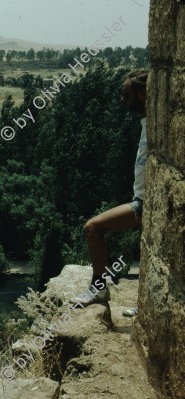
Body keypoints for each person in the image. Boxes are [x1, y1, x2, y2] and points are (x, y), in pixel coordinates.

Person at [70, 70, 148, 307]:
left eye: (126, 94)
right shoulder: (149, 123)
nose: (122, 100)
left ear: (143, 94)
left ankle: (99, 288)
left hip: (143, 204)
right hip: (142, 200)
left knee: (92, 227)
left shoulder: (156, 125)